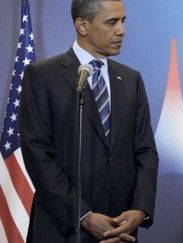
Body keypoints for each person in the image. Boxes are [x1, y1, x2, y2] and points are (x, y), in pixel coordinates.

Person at [20, 0, 159, 242]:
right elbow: (37, 153)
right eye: (111, 22)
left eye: (123, 20)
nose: (121, 30)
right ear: (82, 25)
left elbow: (146, 150)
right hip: (63, 229)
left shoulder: (131, 80)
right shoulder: (43, 76)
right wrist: (82, 215)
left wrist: (140, 209)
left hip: (120, 230)